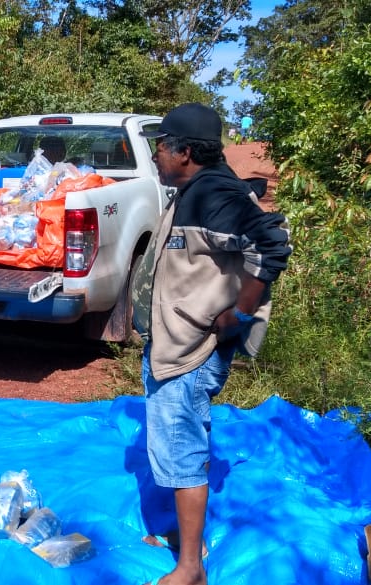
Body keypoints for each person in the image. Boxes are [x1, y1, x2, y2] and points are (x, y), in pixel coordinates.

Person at [131, 103, 291, 585]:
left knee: (181, 451)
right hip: (176, 342)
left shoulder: (214, 192)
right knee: (180, 444)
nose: (156, 154)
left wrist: (239, 313)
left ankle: (190, 570)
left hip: (190, 351)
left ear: (183, 152)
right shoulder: (195, 187)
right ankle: (189, 538)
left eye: (160, 146)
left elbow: (271, 243)